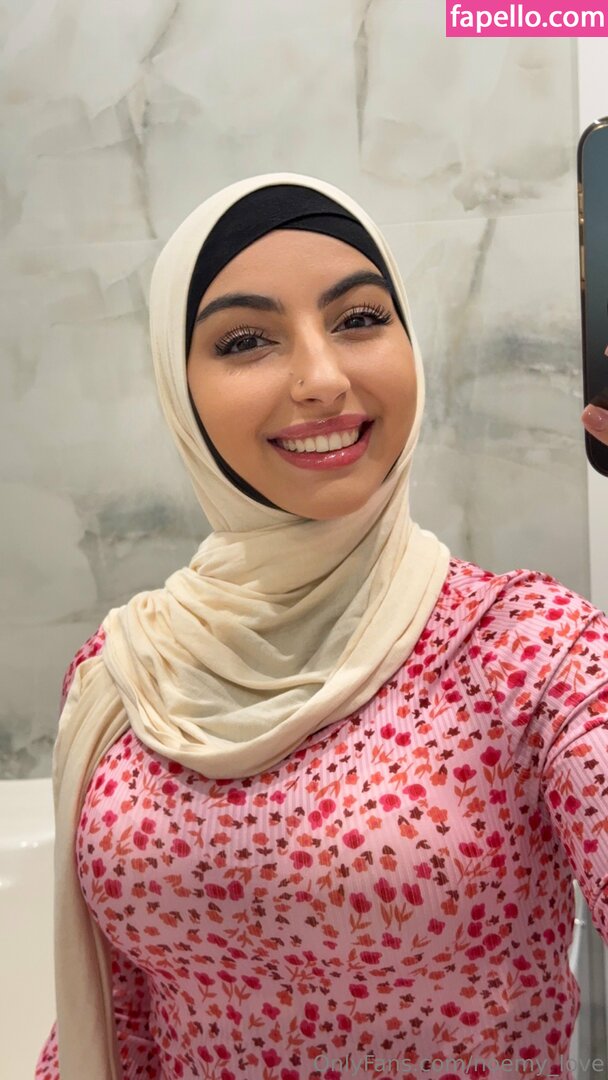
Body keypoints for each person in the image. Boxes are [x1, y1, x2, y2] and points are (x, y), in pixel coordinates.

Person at [35, 173, 608, 1080]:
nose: (323, 379)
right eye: (246, 340)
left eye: (359, 319)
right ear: (180, 390)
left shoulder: (531, 651)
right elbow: (117, 1009)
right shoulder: (124, 672)